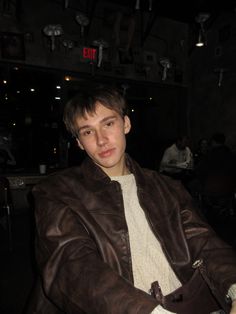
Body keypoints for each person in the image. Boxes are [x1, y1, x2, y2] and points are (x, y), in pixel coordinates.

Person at [28, 86, 236, 314]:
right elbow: (73, 266)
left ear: (126, 124)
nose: (101, 140)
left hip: (187, 302)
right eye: (87, 132)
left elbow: (204, 241)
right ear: (79, 142)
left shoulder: (167, 187)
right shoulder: (56, 191)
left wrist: (233, 285)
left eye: (108, 124)